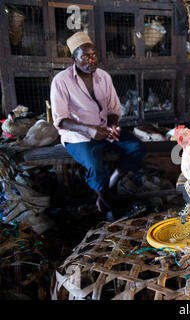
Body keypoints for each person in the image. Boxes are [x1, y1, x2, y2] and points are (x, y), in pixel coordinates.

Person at [50, 32, 146, 221]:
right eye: (84, 56)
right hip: (78, 136)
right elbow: (61, 120)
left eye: (93, 55)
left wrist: (111, 126)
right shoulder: (61, 81)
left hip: (103, 131)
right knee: (95, 165)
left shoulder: (103, 77)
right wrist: (88, 129)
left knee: (137, 147)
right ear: (74, 59)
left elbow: (113, 108)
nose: (91, 60)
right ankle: (104, 199)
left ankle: (112, 182)